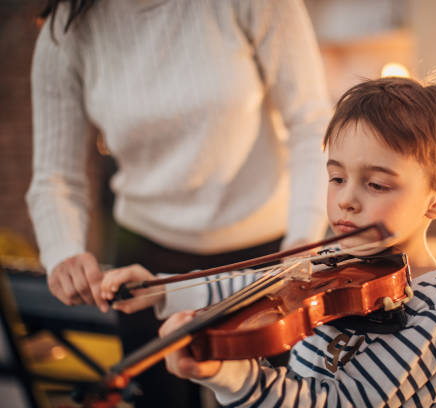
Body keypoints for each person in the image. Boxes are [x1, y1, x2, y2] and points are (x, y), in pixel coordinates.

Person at [102, 76, 436, 406]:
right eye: (337, 178)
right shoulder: (334, 261)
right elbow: (251, 287)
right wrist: (164, 291)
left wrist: (235, 378)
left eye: (376, 184)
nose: (346, 199)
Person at [26, 0, 330, 406]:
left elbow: (311, 122)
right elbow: (55, 176)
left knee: (278, 397)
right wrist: (62, 250)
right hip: (147, 265)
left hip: (271, 255)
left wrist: (303, 236)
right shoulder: (66, 28)